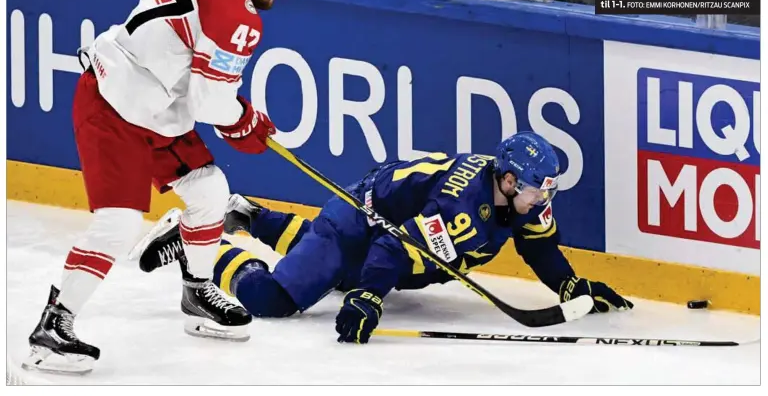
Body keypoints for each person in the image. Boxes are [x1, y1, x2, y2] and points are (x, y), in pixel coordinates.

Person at [23, 0, 300, 375]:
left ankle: (196, 292)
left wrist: (238, 110)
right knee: (119, 224)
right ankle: (53, 328)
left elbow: (195, 76)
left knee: (210, 191)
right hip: (113, 106)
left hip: (151, 102)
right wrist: (244, 121)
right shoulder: (240, 16)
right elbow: (210, 102)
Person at [135, 132, 633, 345]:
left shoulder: (520, 200)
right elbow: (394, 248)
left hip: (380, 228)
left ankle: (246, 214)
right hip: (360, 219)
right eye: (533, 188)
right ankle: (200, 237)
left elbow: (539, 245)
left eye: (547, 189)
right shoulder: (464, 208)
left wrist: (570, 286)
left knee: (335, 266)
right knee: (273, 299)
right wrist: (370, 296)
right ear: (506, 179)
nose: (541, 199)